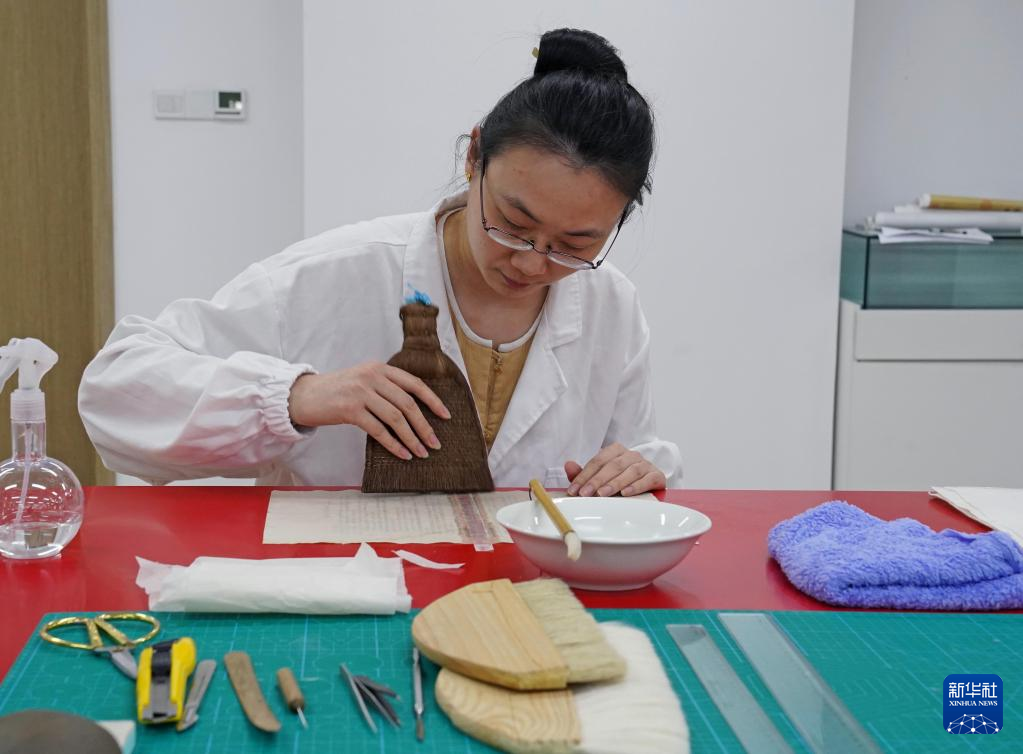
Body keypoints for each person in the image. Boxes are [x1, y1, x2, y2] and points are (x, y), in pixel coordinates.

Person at [79, 28, 682, 496]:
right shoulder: (337, 275)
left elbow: (634, 453)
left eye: (574, 246)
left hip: (524, 594)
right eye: (513, 224)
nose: (531, 263)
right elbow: (116, 391)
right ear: (474, 157)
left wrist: (639, 470)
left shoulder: (610, 306)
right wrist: (297, 396)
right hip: (344, 588)